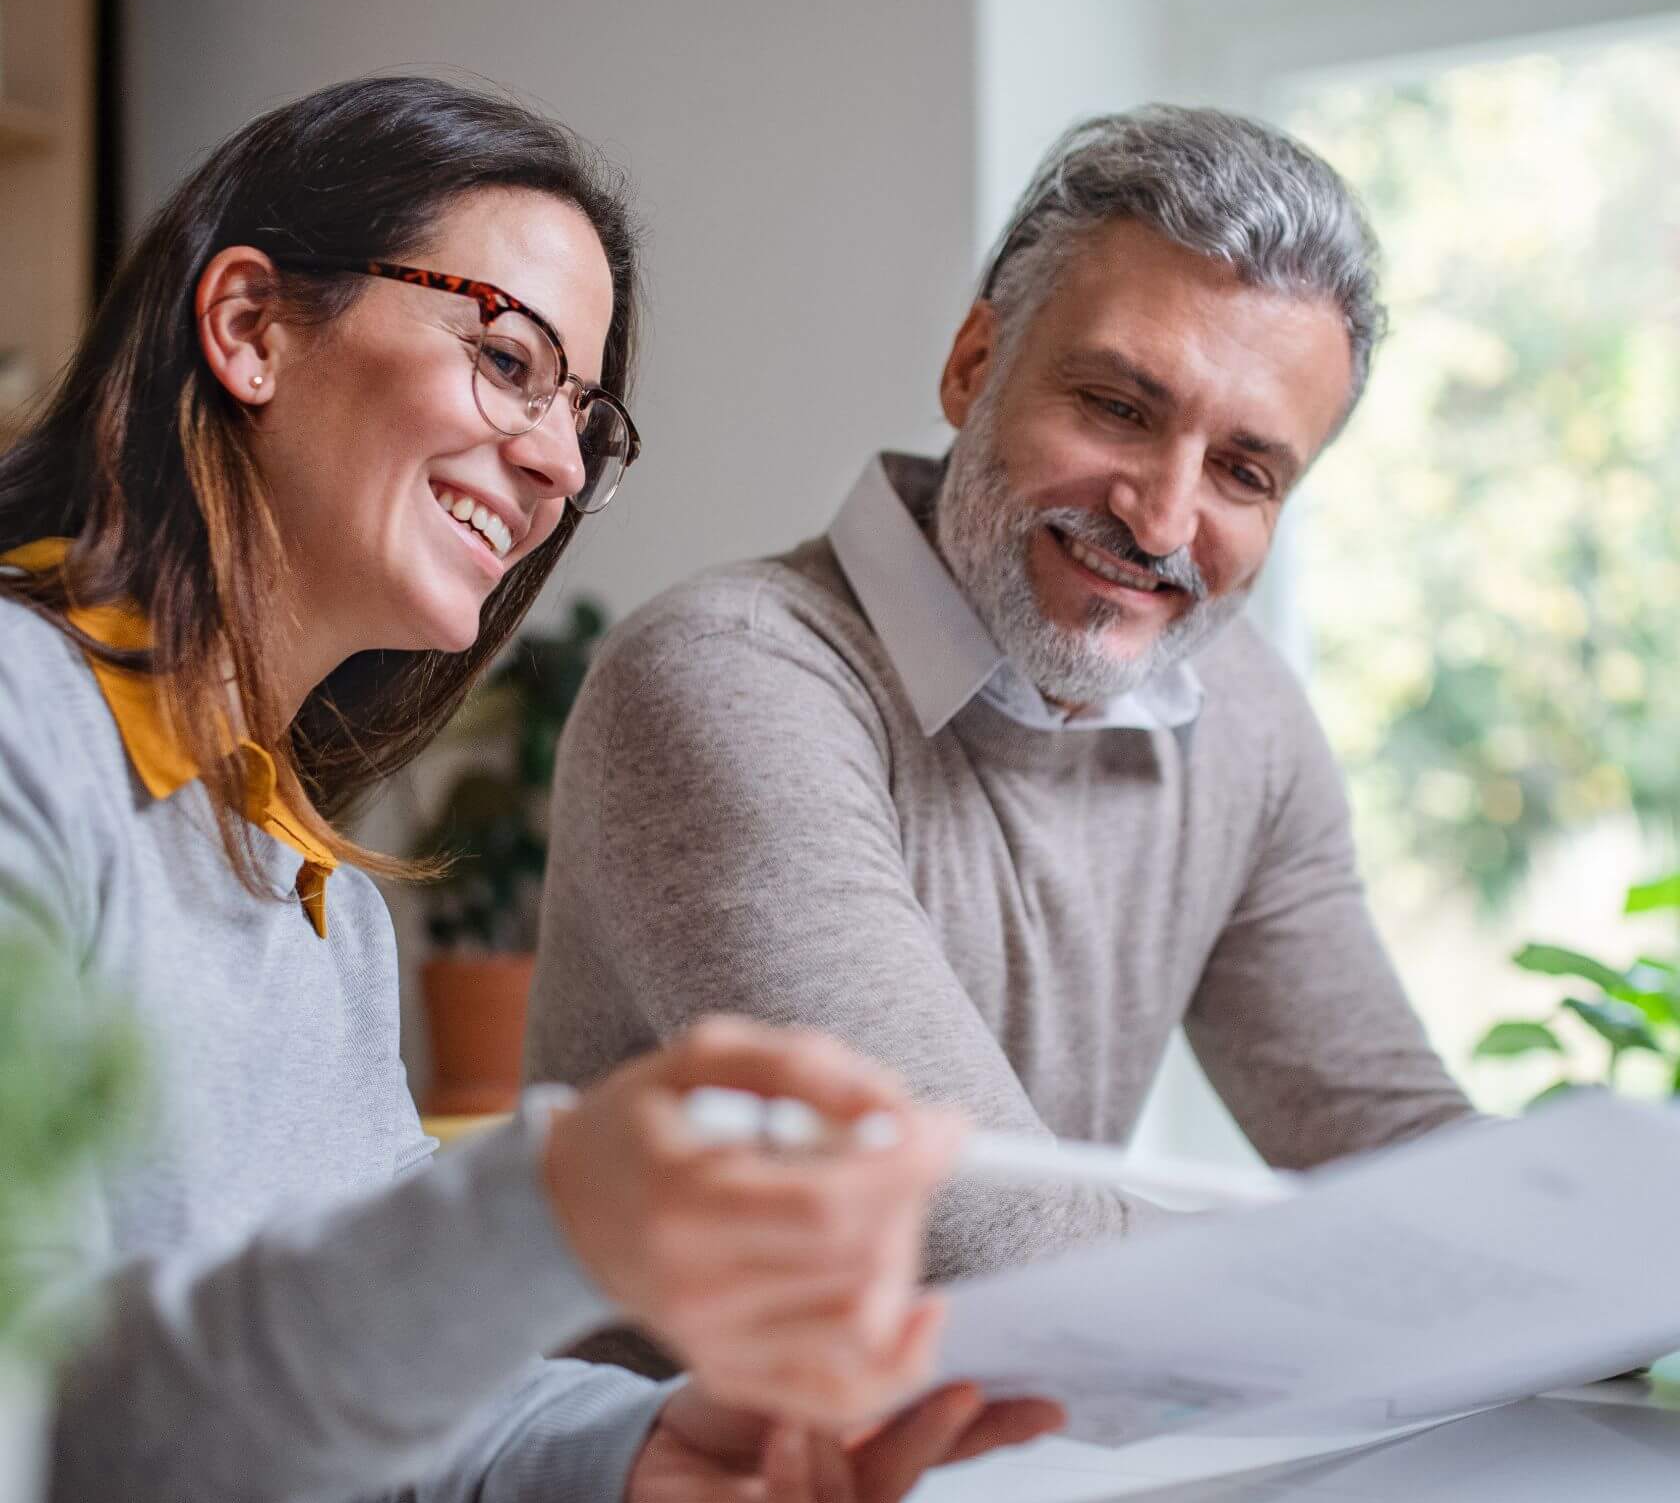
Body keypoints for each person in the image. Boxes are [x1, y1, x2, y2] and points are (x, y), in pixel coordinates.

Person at [0, 75, 1059, 1503]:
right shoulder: (22, 727)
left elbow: (370, 1415)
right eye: (508, 358)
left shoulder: (320, 907)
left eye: (585, 419)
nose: (560, 464)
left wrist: (642, 1452)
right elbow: (39, 1436)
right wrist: (541, 1207)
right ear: (248, 327)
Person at [527, 105, 1477, 1329]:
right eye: (1118, 407)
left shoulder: (1244, 721)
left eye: (1245, 472)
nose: (1162, 519)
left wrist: (1587, 1245)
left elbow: (1394, 1141)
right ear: (974, 364)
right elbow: (985, 1241)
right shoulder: (729, 677)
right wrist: (1440, 1269)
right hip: (692, 1450)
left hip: (1049, 1433)